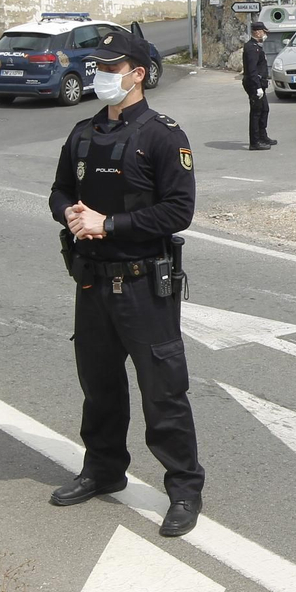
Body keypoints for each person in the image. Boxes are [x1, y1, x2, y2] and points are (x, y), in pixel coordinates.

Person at [48, 30, 205, 537]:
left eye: (110, 69)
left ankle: (183, 489)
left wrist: (109, 225)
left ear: (137, 74)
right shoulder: (84, 132)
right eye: (97, 68)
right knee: (99, 386)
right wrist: (70, 213)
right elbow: (59, 190)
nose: (100, 77)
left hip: (142, 285)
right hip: (91, 283)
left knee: (164, 392)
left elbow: (179, 210)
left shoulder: (162, 134)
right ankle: (103, 469)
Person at [242, 21, 277, 150]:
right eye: (263, 32)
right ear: (257, 32)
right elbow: (252, 70)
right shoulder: (251, 47)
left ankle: (263, 136)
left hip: (259, 83)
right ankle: (255, 142)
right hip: (254, 84)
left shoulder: (256, 46)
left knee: (264, 110)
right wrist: (257, 87)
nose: (264, 34)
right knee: (256, 112)